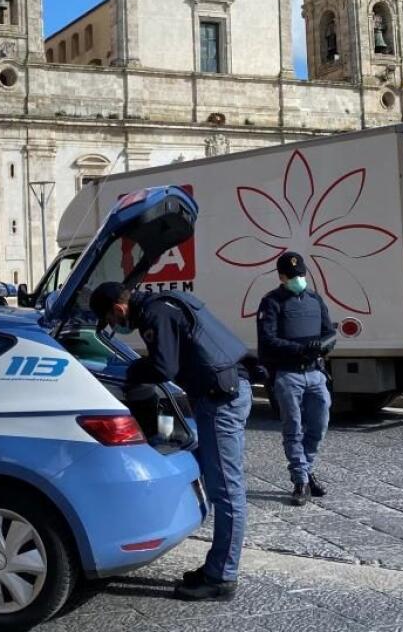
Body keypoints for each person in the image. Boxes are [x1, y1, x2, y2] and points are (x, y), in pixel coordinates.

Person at [89, 281, 254, 601]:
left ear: (119, 309)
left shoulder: (154, 315)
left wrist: (133, 370)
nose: (115, 326)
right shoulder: (167, 302)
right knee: (220, 484)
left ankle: (222, 577)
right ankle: (217, 566)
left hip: (220, 399)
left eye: (112, 319)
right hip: (224, 392)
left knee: (227, 492)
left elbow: (164, 367)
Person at [256, 251, 335, 506]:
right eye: (292, 276)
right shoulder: (271, 302)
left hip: (315, 373)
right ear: (281, 277)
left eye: (300, 275)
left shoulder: (315, 299)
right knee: (293, 429)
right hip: (288, 375)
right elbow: (267, 341)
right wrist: (299, 349)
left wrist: (322, 345)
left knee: (319, 426)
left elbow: (329, 332)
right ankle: (300, 480)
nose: (298, 279)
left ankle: (306, 468)